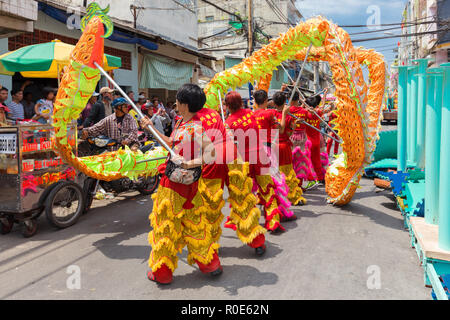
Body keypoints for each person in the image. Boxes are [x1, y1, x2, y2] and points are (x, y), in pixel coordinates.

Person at [140, 84, 221, 285]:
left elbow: (211, 154)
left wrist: (188, 163)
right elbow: (171, 143)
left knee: (165, 227)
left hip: (173, 185)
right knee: (194, 224)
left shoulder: (195, 127)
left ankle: (162, 273)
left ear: (184, 105)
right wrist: (151, 128)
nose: (175, 102)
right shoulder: (182, 123)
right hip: (189, 186)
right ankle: (210, 264)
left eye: (177, 100)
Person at [225, 90, 285, 233]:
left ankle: (251, 224)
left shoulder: (228, 123)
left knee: (247, 193)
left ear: (227, 106)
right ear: (240, 102)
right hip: (260, 156)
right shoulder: (249, 113)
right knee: (267, 189)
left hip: (244, 161)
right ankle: (274, 220)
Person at [271, 91, 306, 209]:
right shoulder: (287, 116)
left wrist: (294, 124)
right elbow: (289, 133)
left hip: (274, 147)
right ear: (285, 102)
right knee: (288, 173)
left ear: (274, 103)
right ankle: (293, 196)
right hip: (284, 147)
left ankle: (275, 196)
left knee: (275, 173)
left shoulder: (271, 115)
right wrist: (292, 123)